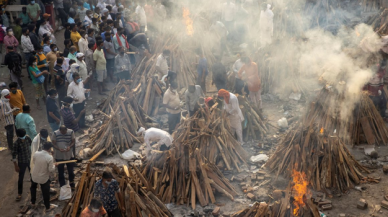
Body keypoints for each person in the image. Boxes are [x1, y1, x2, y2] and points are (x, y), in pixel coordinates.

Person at [30, 142, 57, 211]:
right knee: (45, 192)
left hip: (34, 175)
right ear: (50, 149)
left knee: (33, 189)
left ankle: (33, 203)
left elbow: (34, 162)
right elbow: (51, 170)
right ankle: (47, 207)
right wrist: (55, 165)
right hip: (43, 178)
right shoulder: (49, 157)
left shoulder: (36, 153)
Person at [12, 128, 32, 201]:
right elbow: (14, 155)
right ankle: (19, 193)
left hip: (29, 160)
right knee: (21, 178)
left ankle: (34, 188)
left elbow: (31, 145)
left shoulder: (27, 138)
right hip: (22, 162)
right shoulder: (16, 143)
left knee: (32, 175)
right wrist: (16, 165)